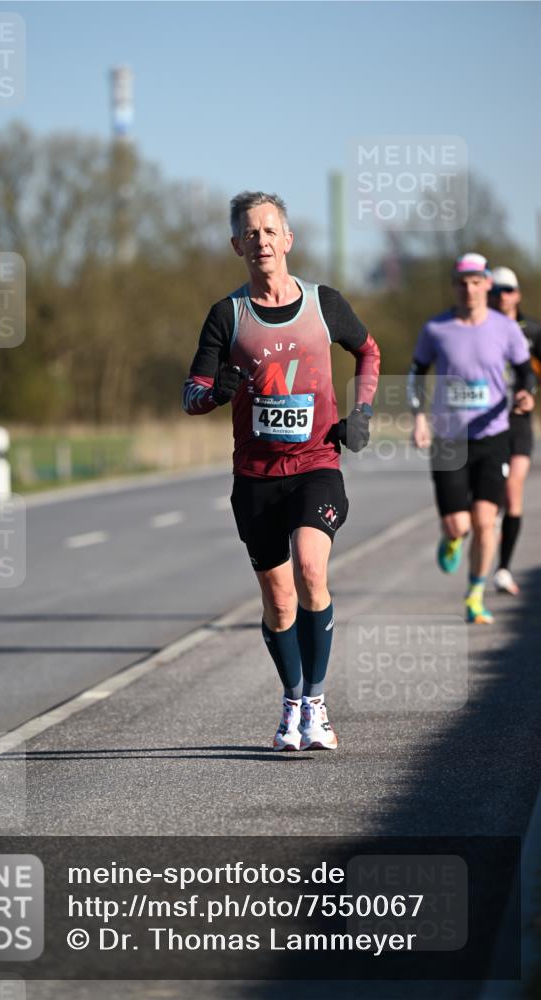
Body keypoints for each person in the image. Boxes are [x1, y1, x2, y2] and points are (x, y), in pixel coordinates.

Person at [183, 191, 380, 751]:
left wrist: (360, 412)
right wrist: (213, 394)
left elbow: (369, 352)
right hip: (255, 477)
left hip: (317, 464)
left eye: (270, 230)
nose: (261, 241)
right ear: (236, 245)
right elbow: (190, 393)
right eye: (250, 233)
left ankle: (316, 705)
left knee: (311, 572)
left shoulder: (325, 304)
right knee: (278, 599)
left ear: (287, 240)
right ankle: (292, 700)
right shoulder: (228, 315)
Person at [407, 253, 535, 624]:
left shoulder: (505, 329)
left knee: (483, 520)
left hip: (493, 435)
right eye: (462, 283)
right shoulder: (436, 329)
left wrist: (526, 394)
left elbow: (526, 373)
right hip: (448, 437)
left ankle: (475, 594)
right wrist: (419, 419)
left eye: (477, 282)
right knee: (459, 525)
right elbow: (416, 373)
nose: (469, 289)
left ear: (487, 285)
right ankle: (450, 538)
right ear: (455, 286)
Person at [488, 266, 541, 595]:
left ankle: (504, 568)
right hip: (483, 421)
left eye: (508, 290)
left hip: (518, 419)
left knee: (514, 488)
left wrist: (529, 394)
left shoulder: (532, 330)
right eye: (496, 290)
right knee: (485, 501)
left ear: (517, 294)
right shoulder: (478, 328)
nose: (502, 296)